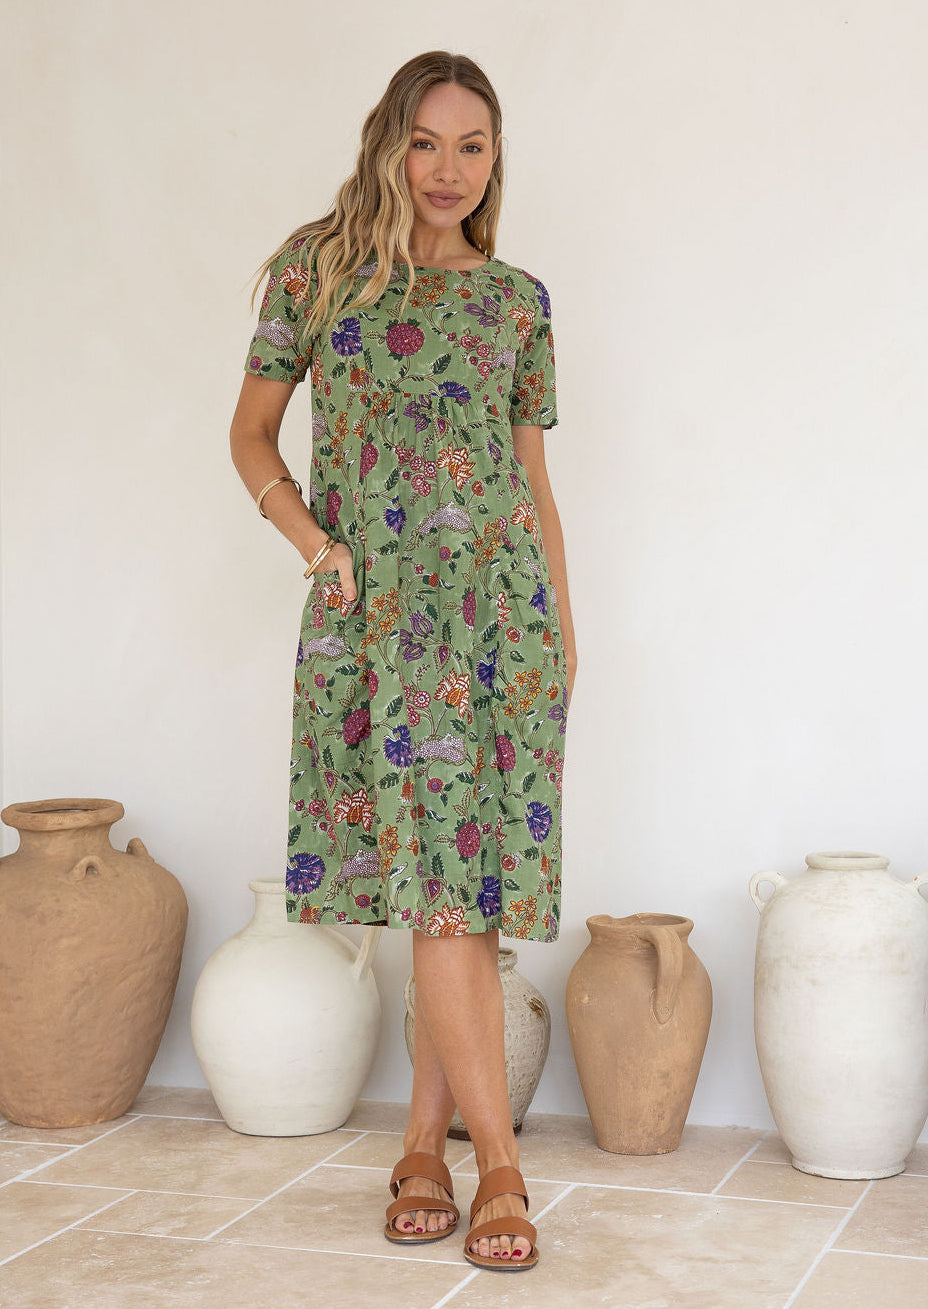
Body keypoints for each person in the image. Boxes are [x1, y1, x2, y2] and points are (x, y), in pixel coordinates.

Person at [229, 50, 576, 1273]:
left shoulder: (519, 301)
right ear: (389, 140)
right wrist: (316, 545)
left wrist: (565, 638)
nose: (446, 169)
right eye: (425, 142)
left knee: (459, 900)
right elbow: (251, 433)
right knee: (435, 889)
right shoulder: (318, 270)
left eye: (471, 146)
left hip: (498, 631)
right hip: (374, 622)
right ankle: (504, 1167)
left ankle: (425, 1143)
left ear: (494, 159)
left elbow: (530, 483)